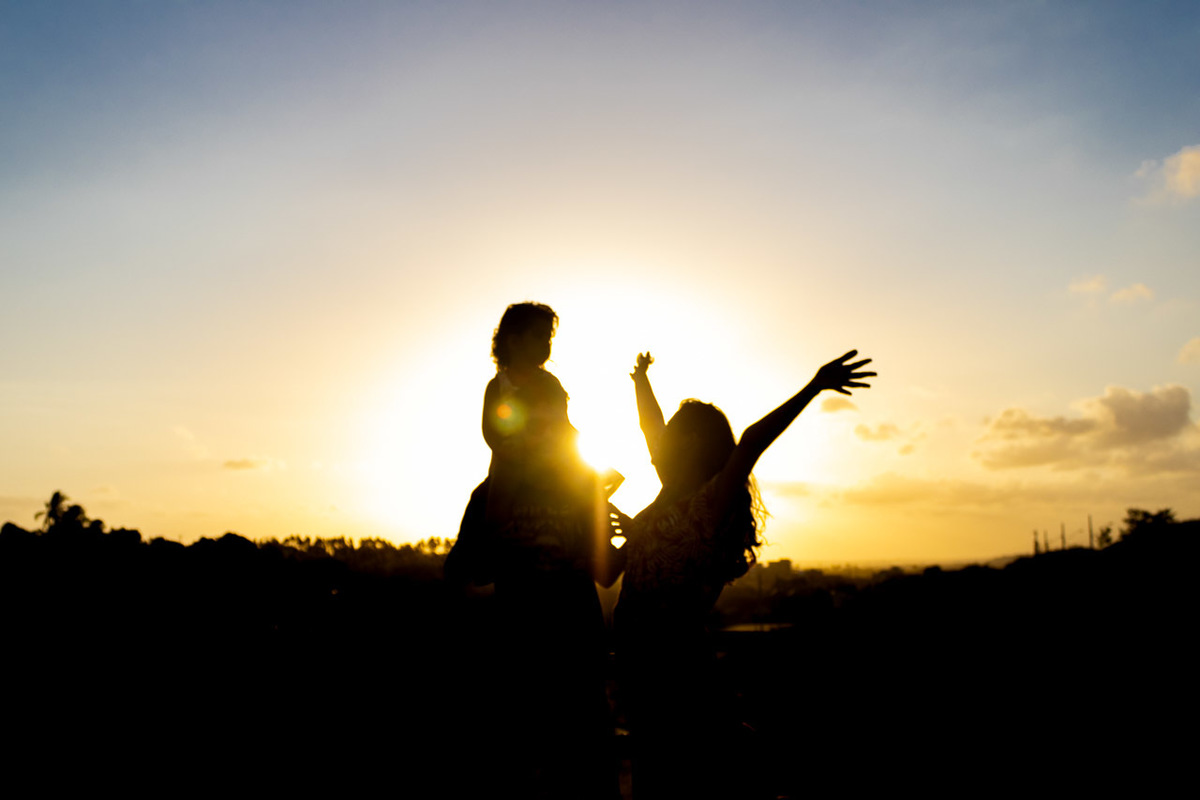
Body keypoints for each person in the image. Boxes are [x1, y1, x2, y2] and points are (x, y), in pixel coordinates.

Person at [614, 349, 876, 799]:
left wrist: (814, 386)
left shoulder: (708, 502)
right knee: (658, 768)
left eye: (676, 431)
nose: (663, 438)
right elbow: (649, 427)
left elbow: (752, 441)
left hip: (672, 656)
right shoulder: (668, 489)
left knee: (682, 772)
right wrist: (641, 381)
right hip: (640, 656)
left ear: (693, 441)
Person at [444, 302, 622, 799]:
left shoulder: (547, 386)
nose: (546, 345)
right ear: (514, 337)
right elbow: (498, 438)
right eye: (539, 335)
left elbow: (563, 433)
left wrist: (577, 473)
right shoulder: (500, 386)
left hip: (550, 489)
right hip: (517, 486)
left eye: (550, 336)